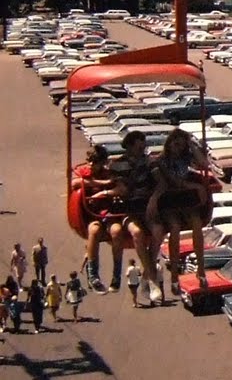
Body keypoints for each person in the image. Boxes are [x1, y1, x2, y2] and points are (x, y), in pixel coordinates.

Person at [149, 128, 210, 294]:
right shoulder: (161, 161)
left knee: (197, 224)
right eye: (176, 144)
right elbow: (173, 181)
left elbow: (204, 163)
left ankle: (201, 268)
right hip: (169, 200)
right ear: (169, 143)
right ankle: (174, 274)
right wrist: (196, 186)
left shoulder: (185, 158)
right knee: (174, 228)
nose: (178, 148)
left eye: (182, 145)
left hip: (183, 199)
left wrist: (191, 144)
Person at [110, 131, 163, 305]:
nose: (143, 149)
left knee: (158, 231)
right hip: (128, 210)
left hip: (146, 208)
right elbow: (119, 186)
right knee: (138, 233)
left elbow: (159, 180)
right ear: (131, 145)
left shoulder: (149, 162)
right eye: (139, 146)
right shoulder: (117, 165)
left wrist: (154, 197)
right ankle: (153, 281)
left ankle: (147, 277)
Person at [73, 145, 123, 292]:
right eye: (90, 161)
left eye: (95, 162)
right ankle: (93, 274)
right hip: (92, 214)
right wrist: (99, 183)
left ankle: (116, 274)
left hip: (107, 212)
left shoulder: (109, 174)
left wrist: (105, 192)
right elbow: (74, 183)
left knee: (117, 231)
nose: (91, 165)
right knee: (94, 231)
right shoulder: (85, 172)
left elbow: (121, 188)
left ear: (102, 163)